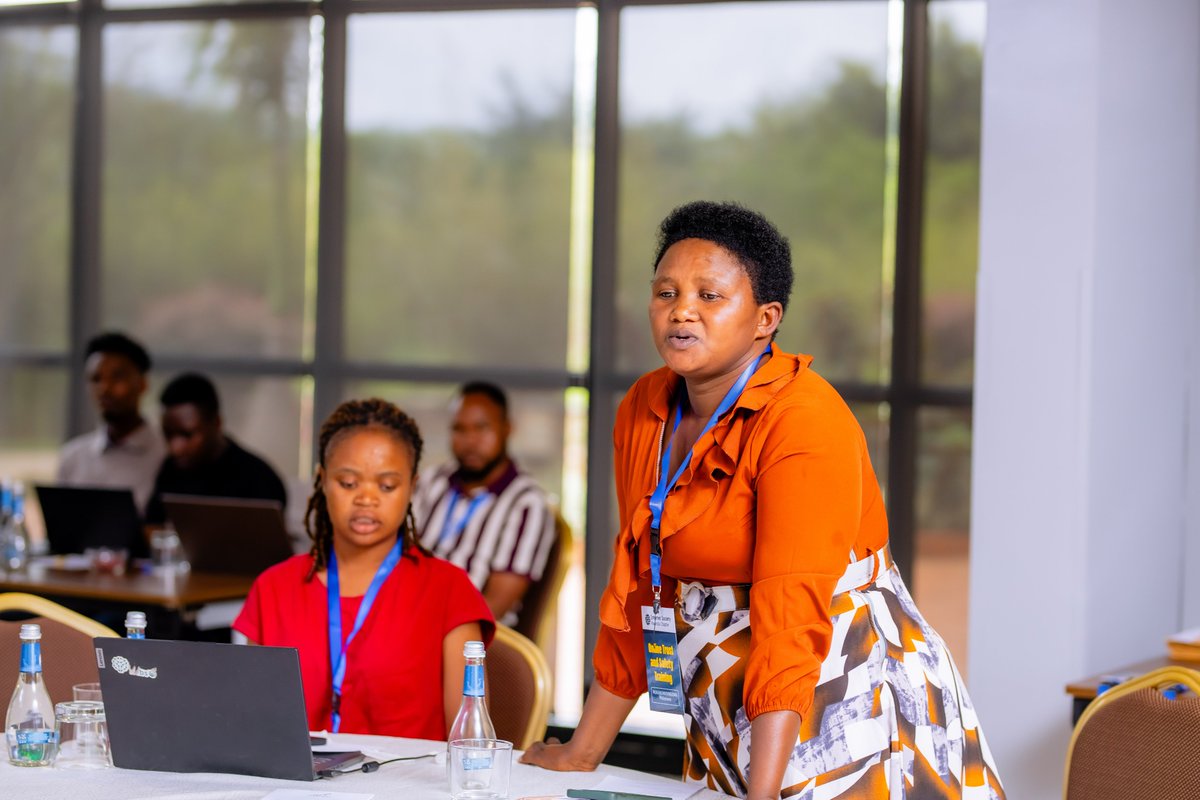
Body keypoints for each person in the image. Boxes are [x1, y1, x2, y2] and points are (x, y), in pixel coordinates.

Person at [522, 201, 1005, 799]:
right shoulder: (644, 407)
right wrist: (583, 752)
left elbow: (790, 614)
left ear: (765, 319)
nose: (682, 312)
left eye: (710, 296)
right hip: (722, 682)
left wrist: (762, 794)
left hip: (837, 676)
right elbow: (640, 578)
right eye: (666, 292)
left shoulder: (803, 420)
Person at [234, 398, 494, 738]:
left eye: (387, 486)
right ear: (322, 481)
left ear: (412, 488)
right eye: (348, 483)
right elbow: (254, 729)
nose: (366, 498)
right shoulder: (274, 588)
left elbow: (469, 743)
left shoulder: (449, 591)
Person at [412, 382, 556, 626]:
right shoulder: (432, 481)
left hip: (471, 638)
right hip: (408, 615)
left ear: (507, 429)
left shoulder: (526, 504)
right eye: (459, 429)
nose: (470, 440)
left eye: (482, 428)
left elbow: (494, 607)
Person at [143, 372, 287, 525]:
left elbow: (270, 542)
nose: (175, 447)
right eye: (168, 434)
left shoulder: (259, 478)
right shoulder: (171, 469)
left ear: (216, 423)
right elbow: (151, 526)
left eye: (187, 435)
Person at [57, 332, 166, 516]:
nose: (104, 388)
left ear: (142, 384)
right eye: (95, 379)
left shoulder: (166, 454)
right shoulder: (72, 458)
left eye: (117, 377)